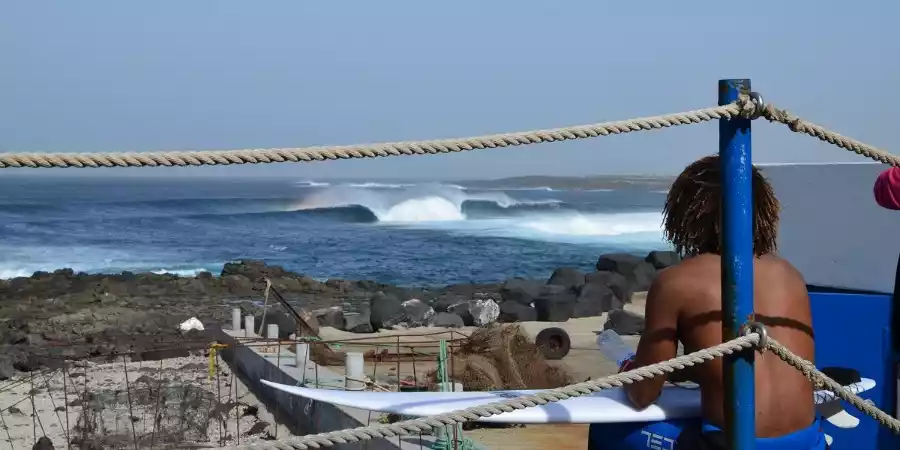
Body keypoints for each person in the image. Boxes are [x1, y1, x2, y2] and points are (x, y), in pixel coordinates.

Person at [621, 155, 824, 449]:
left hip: (735, 444)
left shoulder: (675, 283)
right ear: (763, 210)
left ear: (685, 214)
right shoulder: (790, 275)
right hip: (810, 442)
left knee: (612, 434)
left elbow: (643, 393)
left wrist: (630, 370)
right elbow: (759, 367)